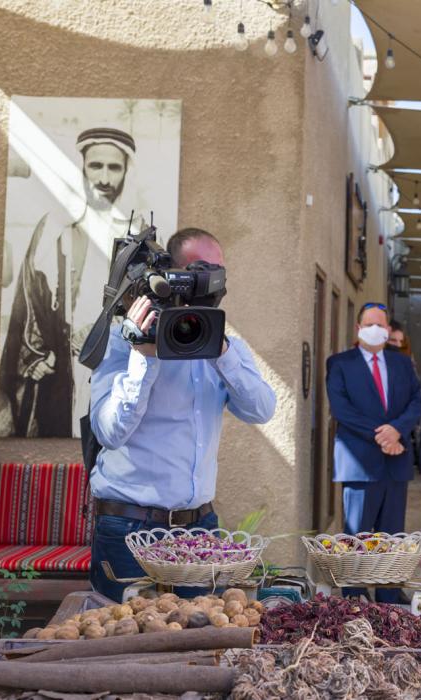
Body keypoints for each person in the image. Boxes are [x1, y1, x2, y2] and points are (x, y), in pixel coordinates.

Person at [88, 227, 276, 601]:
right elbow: (109, 432)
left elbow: (261, 409)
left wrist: (222, 354)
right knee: (123, 649)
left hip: (199, 528)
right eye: (200, 270)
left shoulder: (226, 348)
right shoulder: (121, 342)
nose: (210, 282)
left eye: (218, 271)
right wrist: (144, 357)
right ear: (168, 275)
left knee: (199, 643)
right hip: (129, 527)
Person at [0, 127, 146, 438]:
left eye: (114, 167)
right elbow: (30, 298)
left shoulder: (139, 234)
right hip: (62, 364)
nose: (104, 177)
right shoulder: (54, 227)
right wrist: (38, 354)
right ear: (81, 168)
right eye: (95, 165)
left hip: (116, 361)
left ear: (125, 172)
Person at [326, 302, 421, 602]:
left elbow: (415, 403)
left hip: (395, 462)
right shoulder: (340, 363)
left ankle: (388, 599)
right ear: (358, 328)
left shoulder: (402, 363)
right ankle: (354, 599)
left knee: (391, 537)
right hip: (359, 463)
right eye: (370, 324)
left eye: (381, 325)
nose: (376, 329)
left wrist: (397, 429)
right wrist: (381, 434)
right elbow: (342, 410)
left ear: (388, 330)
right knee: (357, 536)